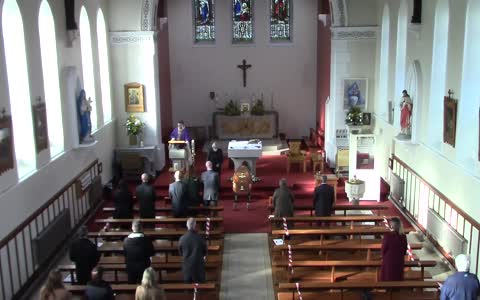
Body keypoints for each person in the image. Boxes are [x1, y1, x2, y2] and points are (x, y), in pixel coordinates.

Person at [178, 218, 207, 283]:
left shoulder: (182, 238)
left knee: (188, 287)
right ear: (195, 226)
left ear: (187, 225)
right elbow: (204, 251)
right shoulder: (200, 237)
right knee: (200, 286)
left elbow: (180, 252)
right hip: (198, 266)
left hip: (187, 266)